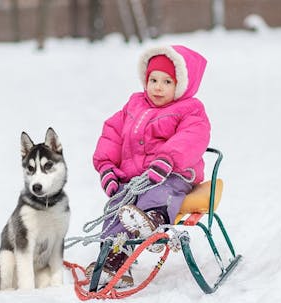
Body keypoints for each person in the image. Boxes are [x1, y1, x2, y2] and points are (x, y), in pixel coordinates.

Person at [88, 45, 211, 288]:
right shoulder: (135, 104)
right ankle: (115, 259)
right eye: (153, 79)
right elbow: (112, 133)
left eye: (167, 81)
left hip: (173, 175)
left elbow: (193, 137)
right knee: (117, 206)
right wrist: (107, 167)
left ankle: (154, 221)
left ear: (182, 85)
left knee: (158, 194)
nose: (157, 87)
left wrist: (167, 159)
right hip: (135, 180)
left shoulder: (190, 109)